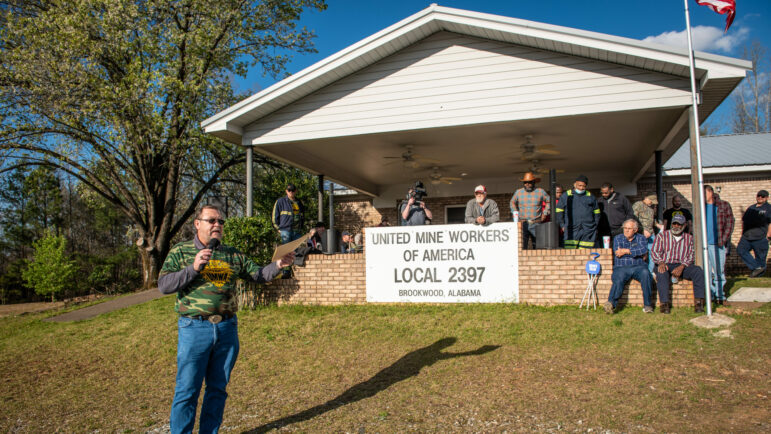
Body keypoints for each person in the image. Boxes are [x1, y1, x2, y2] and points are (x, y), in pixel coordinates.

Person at [158, 205, 294, 434]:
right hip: (194, 328)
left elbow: (257, 275)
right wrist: (193, 268)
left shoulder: (232, 254)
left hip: (226, 329)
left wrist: (279, 265)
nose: (217, 225)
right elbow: (164, 285)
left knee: (218, 389)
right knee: (187, 390)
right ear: (197, 223)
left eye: (221, 222)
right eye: (212, 220)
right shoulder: (181, 252)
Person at [650, 214, 706, 314]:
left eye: (679, 224)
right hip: (664, 263)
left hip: (681, 264)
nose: (676, 226)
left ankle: (699, 303)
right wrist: (660, 262)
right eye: (674, 223)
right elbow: (654, 252)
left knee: (698, 271)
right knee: (662, 273)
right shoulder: (662, 236)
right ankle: (664, 304)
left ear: (684, 226)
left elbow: (691, 255)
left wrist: (682, 266)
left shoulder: (689, 238)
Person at [603, 219, 654, 314]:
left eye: (629, 228)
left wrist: (626, 251)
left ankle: (647, 305)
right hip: (622, 266)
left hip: (638, 266)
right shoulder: (618, 238)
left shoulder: (641, 238)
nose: (626, 230)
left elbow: (643, 250)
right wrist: (635, 252)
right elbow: (617, 253)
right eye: (625, 228)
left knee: (646, 274)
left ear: (635, 230)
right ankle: (611, 304)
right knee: (618, 279)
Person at [704, 185, 734, 303]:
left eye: (705, 193)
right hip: (705, 245)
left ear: (711, 192)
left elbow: (730, 223)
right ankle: (711, 294)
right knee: (706, 272)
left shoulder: (723, 205)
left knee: (718, 271)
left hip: (718, 244)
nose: (703, 196)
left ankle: (720, 296)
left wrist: (724, 239)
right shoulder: (701, 207)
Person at [555, 174, 600, 249]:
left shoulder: (590, 196)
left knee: (586, 252)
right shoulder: (566, 195)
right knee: (570, 253)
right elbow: (559, 211)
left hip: (588, 229)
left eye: (584, 186)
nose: (581, 188)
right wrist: (562, 225)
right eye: (579, 185)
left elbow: (597, 213)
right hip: (571, 229)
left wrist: (594, 225)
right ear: (574, 184)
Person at [272, 183, 306, 278]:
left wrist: (301, 227)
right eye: (289, 190)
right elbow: (275, 216)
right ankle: (286, 272)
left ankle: (296, 271)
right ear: (286, 191)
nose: (291, 192)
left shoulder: (299, 202)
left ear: (295, 191)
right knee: (286, 251)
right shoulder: (281, 201)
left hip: (296, 230)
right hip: (285, 230)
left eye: (292, 190)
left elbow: (303, 216)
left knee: (297, 251)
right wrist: (278, 228)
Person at [510, 172, 550, 249]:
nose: (527, 184)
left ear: (534, 182)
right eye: (525, 182)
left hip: (536, 222)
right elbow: (512, 202)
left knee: (538, 247)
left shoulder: (540, 191)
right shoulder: (518, 192)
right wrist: (515, 213)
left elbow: (549, 201)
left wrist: (545, 213)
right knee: (522, 246)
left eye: (529, 182)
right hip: (523, 223)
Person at [738, 189, 771, 277]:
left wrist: (768, 234)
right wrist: (742, 233)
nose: (760, 197)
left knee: (760, 258)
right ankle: (756, 268)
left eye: (762, 196)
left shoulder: (768, 208)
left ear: (767, 198)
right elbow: (744, 221)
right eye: (758, 196)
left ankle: (758, 277)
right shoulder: (751, 208)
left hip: (760, 237)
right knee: (741, 250)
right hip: (746, 237)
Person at [632, 194, 661, 274]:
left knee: (653, 252)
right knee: (641, 253)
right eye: (651, 201)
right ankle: (640, 272)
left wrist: (658, 225)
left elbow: (651, 220)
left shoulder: (651, 208)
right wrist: (643, 230)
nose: (652, 203)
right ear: (646, 198)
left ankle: (650, 271)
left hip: (651, 233)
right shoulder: (638, 205)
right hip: (641, 234)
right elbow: (633, 219)